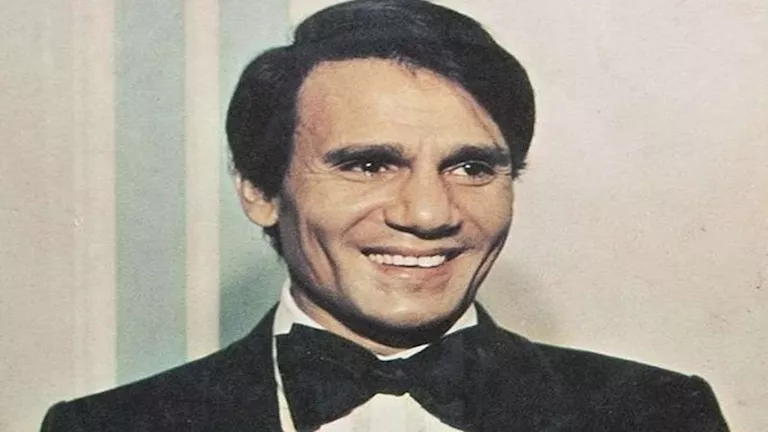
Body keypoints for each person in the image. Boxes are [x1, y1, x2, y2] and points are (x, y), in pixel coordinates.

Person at [41, 0, 730, 430]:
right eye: (369, 165)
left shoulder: (657, 415)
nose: (429, 213)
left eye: (471, 167)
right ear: (259, 190)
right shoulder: (108, 428)